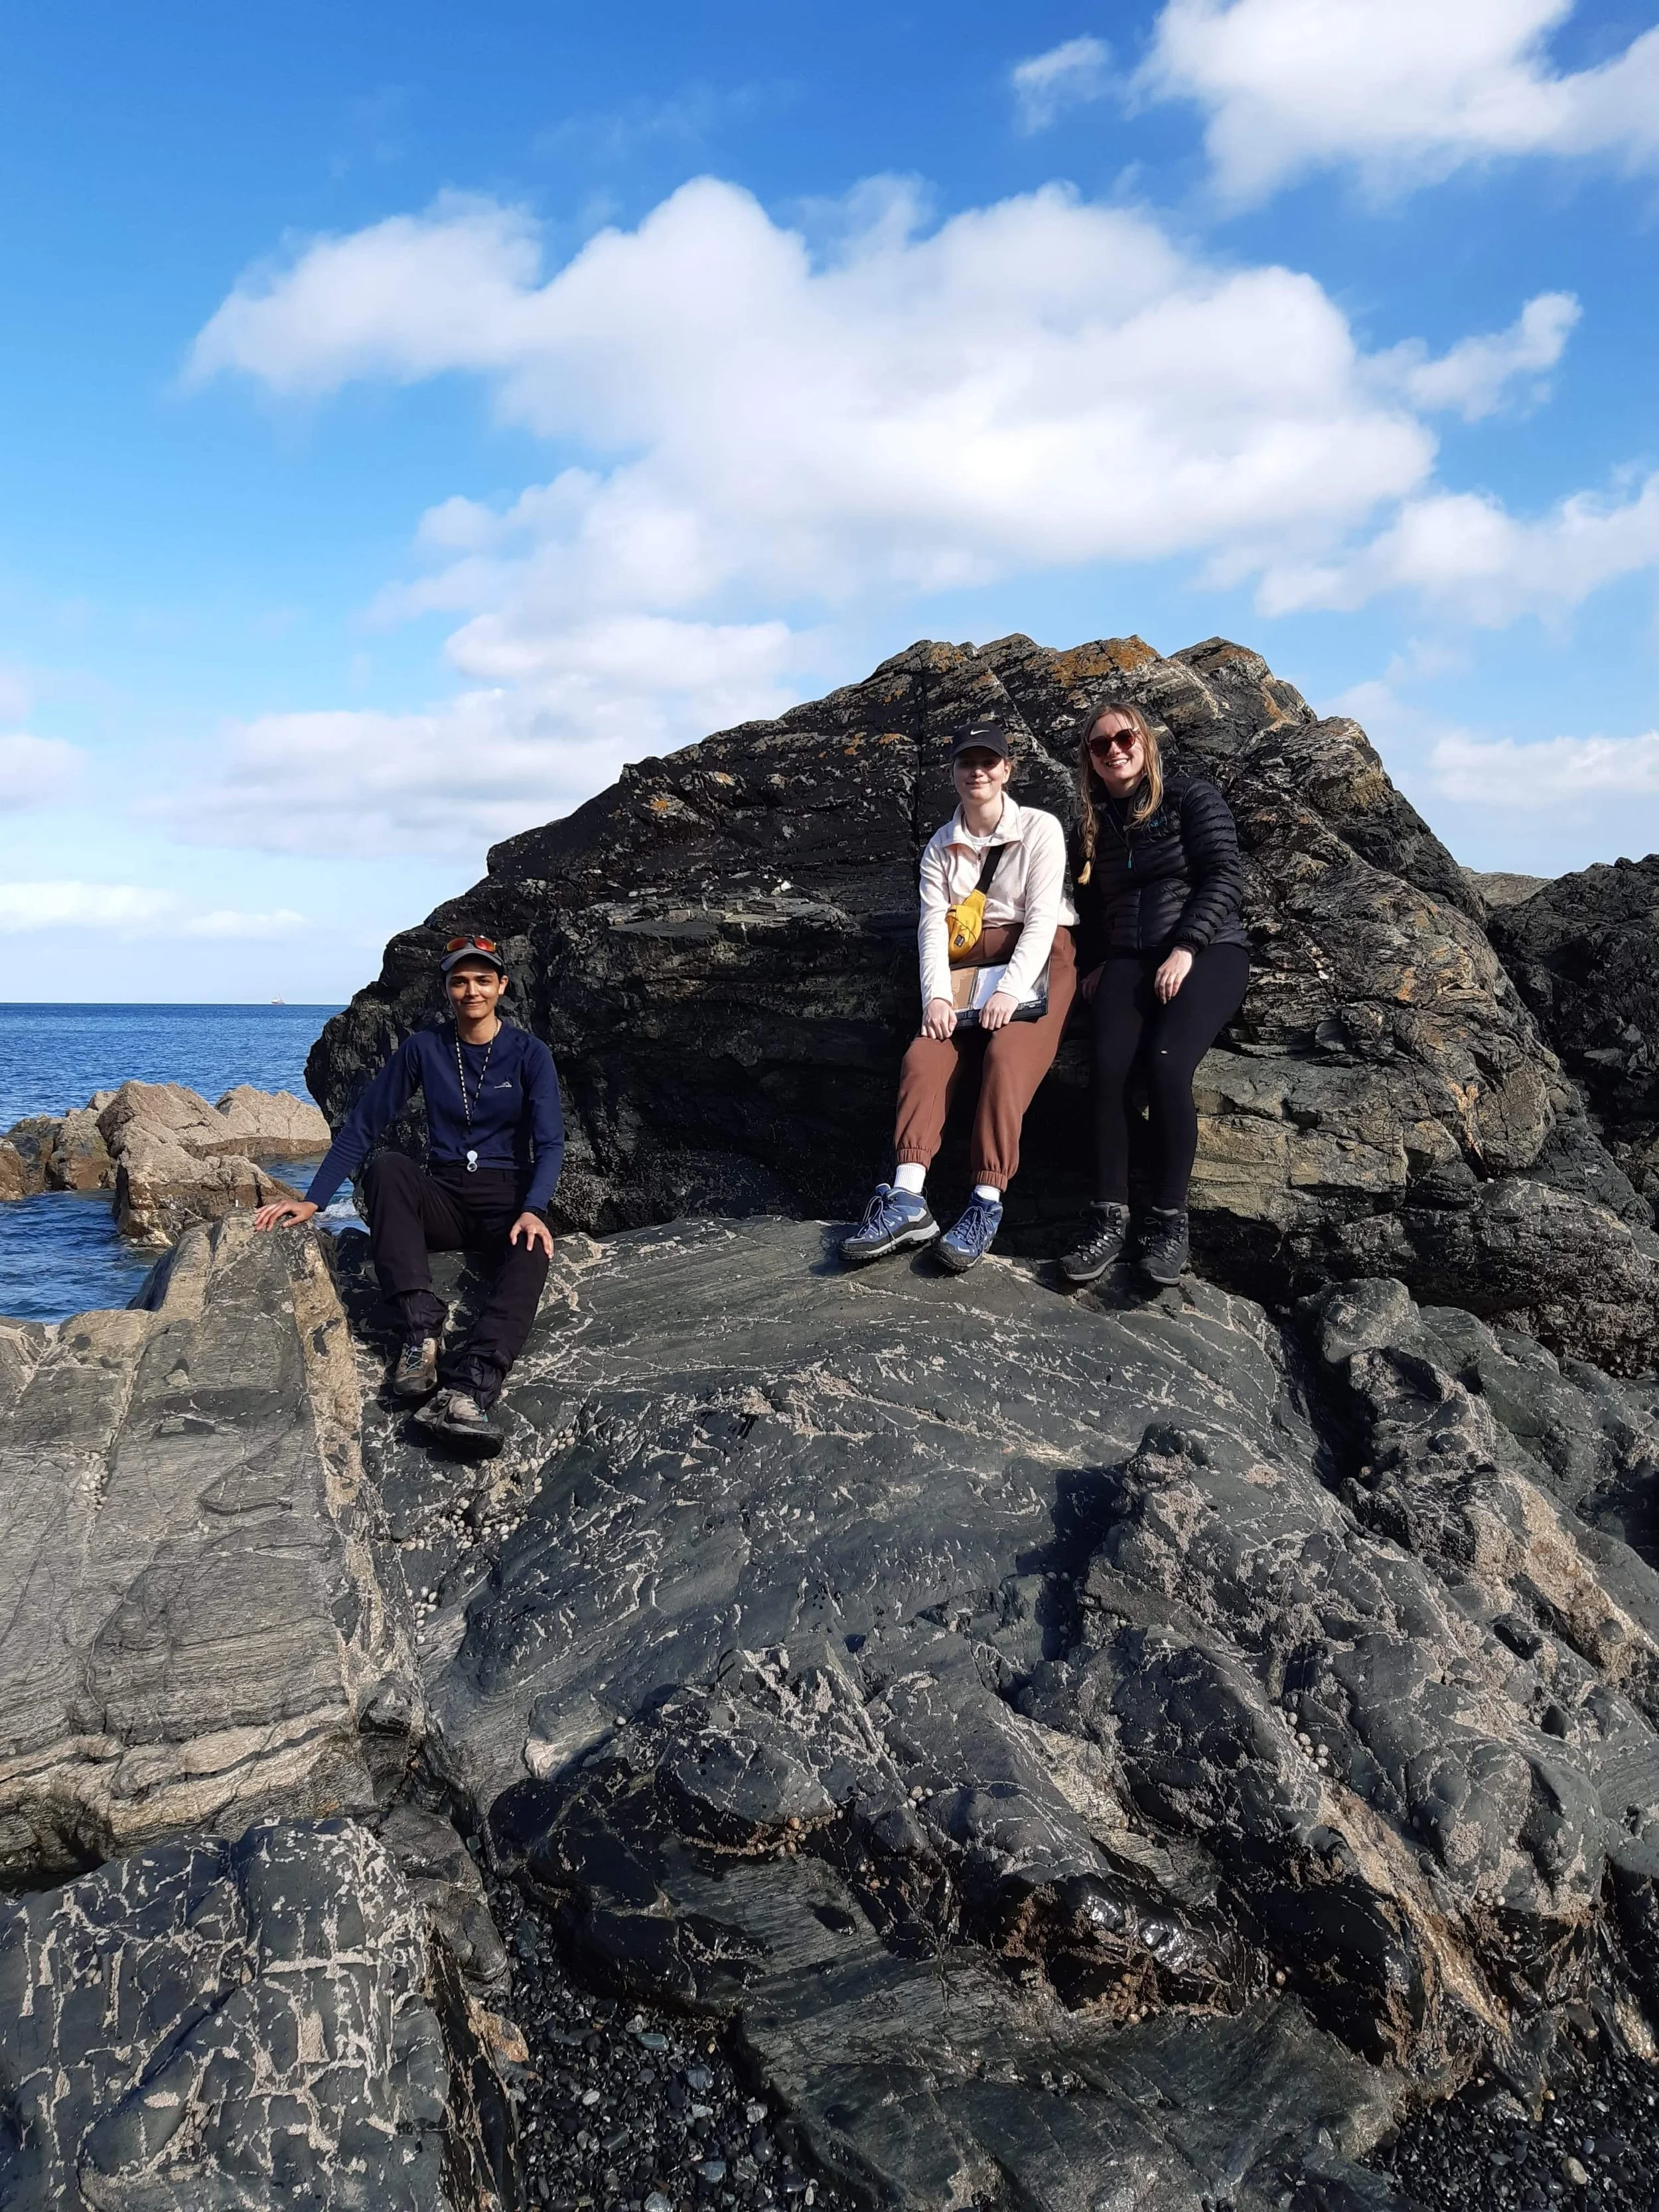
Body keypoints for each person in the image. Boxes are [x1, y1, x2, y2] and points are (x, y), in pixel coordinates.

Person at [254, 934, 563, 1452]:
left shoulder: (530, 1054)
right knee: (389, 1167)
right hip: (442, 1195)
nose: (472, 991)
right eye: (461, 980)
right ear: (447, 987)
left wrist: (533, 1210)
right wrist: (315, 1199)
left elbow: (551, 1142)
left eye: (483, 980)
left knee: (533, 1252)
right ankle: (421, 1338)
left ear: (501, 986)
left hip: (505, 1201)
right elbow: (363, 1125)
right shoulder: (425, 1048)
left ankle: (467, 1391)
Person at [841, 720, 1077, 1274]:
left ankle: (985, 1202)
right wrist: (936, 999)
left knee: (1003, 1057)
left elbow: (1042, 920)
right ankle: (907, 1198)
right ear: (952, 773)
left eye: (988, 761)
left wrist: (1013, 990)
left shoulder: (1041, 829)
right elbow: (931, 929)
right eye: (966, 762)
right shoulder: (938, 848)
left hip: (1038, 962)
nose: (978, 771)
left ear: (1006, 770)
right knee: (925, 1055)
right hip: (966, 967)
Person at [1060, 702, 1248, 1290]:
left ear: (1145, 740)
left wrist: (1188, 946)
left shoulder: (1193, 797)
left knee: (1166, 1066)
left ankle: (1169, 1220)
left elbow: (1224, 875)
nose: (1114, 749)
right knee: (1109, 1069)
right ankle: (1108, 1218)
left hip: (1211, 951)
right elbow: (1088, 908)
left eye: (1124, 737)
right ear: (1089, 761)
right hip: (1127, 958)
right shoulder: (1089, 826)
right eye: (1100, 745)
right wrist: (1092, 963)